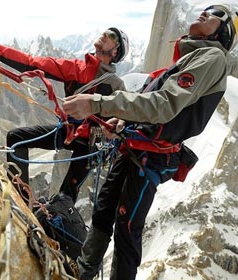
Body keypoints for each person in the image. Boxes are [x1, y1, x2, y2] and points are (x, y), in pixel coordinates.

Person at [62, 4, 238, 280]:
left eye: (217, 15)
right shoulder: (192, 57)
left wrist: (98, 104)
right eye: (207, 8)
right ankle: (83, 271)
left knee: (127, 227)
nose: (206, 12)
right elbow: (158, 105)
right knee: (105, 210)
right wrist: (123, 121)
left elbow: (163, 105)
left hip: (150, 158)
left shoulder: (212, 58)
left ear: (224, 33)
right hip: (135, 149)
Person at [0, 27, 129, 203]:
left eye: (111, 36)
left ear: (115, 51)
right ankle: (22, 201)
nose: (104, 34)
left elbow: (128, 114)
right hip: (69, 132)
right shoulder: (76, 68)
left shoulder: (116, 85)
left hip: (92, 144)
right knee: (16, 138)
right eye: (106, 32)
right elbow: (32, 63)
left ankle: (59, 223)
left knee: (66, 195)